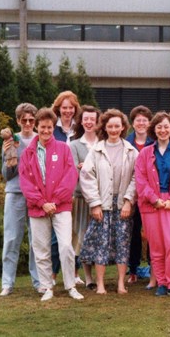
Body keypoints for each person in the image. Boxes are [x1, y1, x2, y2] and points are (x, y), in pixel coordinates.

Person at [18, 108, 83, 301]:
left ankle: (71, 285)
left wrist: (54, 201)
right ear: (37, 127)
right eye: (42, 127)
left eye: (49, 127)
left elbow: (70, 176)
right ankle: (46, 287)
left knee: (65, 247)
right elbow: (25, 183)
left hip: (60, 206)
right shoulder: (28, 153)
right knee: (41, 249)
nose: (46, 131)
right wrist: (41, 202)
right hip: (37, 209)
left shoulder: (63, 148)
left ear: (53, 127)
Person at [79, 109, 138, 295]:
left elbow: (137, 177)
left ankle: (121, 283)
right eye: (110, 126)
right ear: (104, 127)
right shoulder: (96, 150)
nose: (113, 129)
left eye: (117, 126)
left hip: (122, 204)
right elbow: (87, 177)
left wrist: (129, 201)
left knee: (122, 243)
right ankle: (101, 284)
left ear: (123, 127)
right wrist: (94, 203)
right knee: (101, 244)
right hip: (102, 204)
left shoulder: (131, 150)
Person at [135, 112, 170, 298]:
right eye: (159, 127)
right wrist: (154, 199)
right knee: (156, 246)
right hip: (151, 204)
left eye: (166, 126)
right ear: (154, 129)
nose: (163, 130)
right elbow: (140, 180)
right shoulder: (144, 154)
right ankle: (161, 282)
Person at [0, 103, 41, 297]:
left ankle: (39, 281)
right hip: (15, 193)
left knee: (36, 241)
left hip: (36, 195)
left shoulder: (40, 140)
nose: (27, 123)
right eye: (23, 120)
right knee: (12, 239)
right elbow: (7, 175)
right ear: (17, 120)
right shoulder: (10, 140)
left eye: (31, 120)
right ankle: (7, 283)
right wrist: (10, 157)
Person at [50, 90, 82, 285]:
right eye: (64, 108)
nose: (68, 111)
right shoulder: (52, 129)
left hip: (77, 187)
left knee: (75, 233)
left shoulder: (80, 129)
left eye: (71, 107)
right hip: (56, 188)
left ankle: (75, 274)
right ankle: (53, 275)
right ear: (58, 109)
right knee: (56, 236)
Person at [69, 105, 101, 290]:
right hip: (81, 198)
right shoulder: (74, 145)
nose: (89, 122)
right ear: (81, 121)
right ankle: (88, 277)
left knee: (98, 238)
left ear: (98, 122)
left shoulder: (103, 143)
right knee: (82, 237)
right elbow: (74, 169)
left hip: (100, 198)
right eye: (86, 119)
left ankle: (99, 276)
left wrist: (86, 166)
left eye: (92, 119)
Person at [125, 105, 155, 287]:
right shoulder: (126, 143)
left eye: (144, 120)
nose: (141, 123)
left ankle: (154, 266)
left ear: (149, 123)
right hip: (131, 195)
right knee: (133, 233)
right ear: (132, 123)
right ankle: (133, 269)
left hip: (150, 195)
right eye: (138, 120)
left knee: (152, 233)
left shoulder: (155, 141)